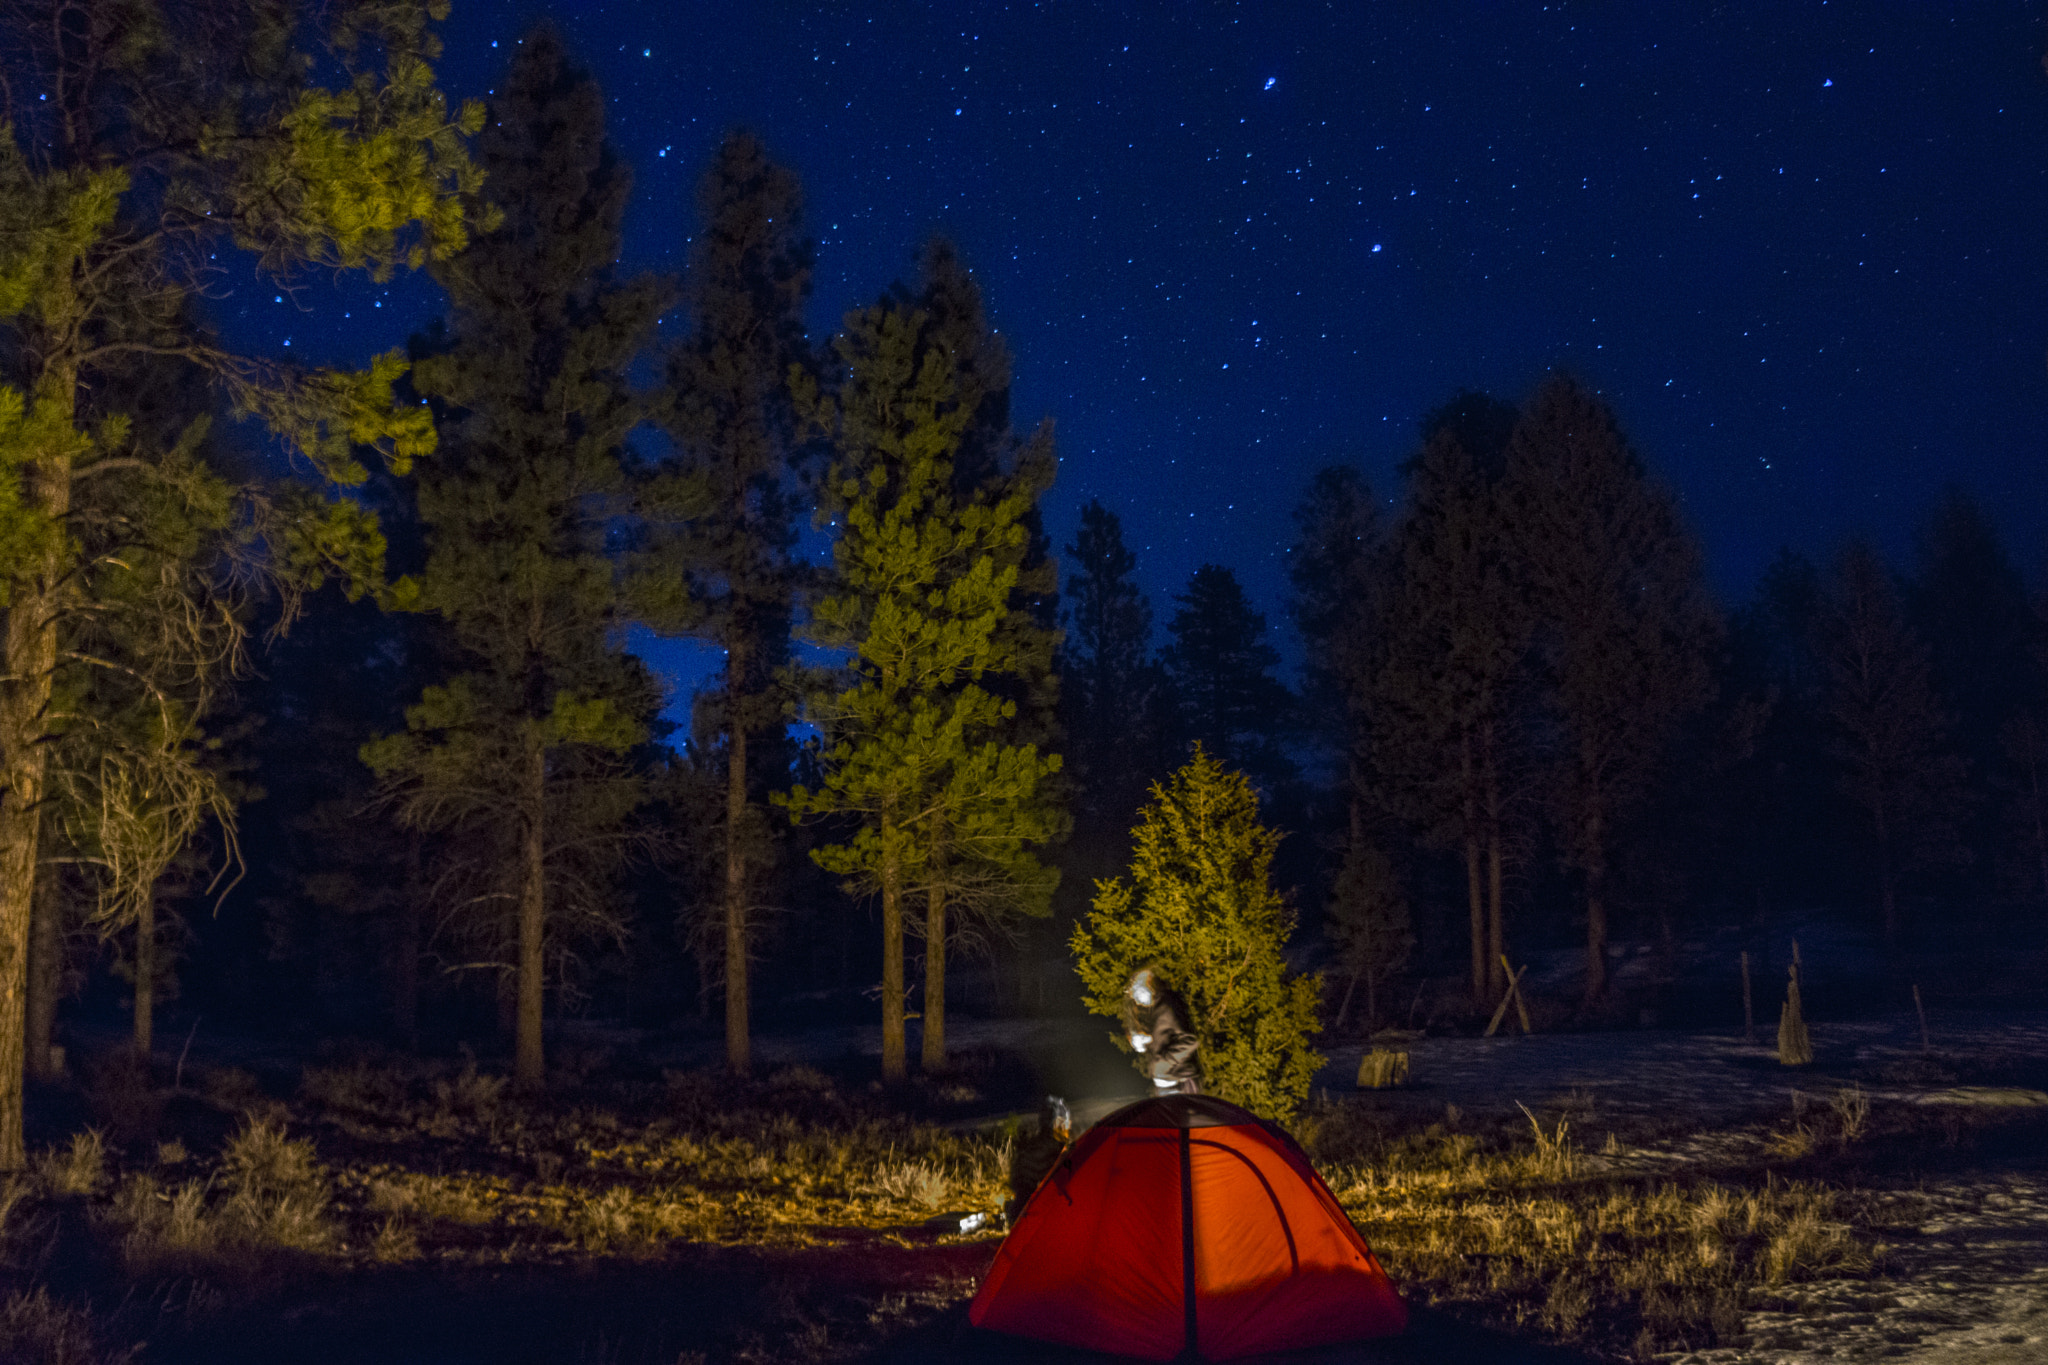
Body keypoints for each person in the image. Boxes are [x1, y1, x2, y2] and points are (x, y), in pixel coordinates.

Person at [1120, 965, 1200, 1095]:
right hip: (1165, 1083)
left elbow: (1190, 1041)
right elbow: (1165, 1038)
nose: (1132, 994)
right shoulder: (1153, 1009)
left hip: (1180, 1084)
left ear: (1149, 984)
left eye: (1136, 987)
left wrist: (1161, 1065)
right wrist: (1145, 1039)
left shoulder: (1167, 1007)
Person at [1005, 1095, 1071, 1224]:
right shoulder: (1056, 1148)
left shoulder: (1031, 1146)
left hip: (1028, 1195)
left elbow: (1015, 1180)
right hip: (1039, 1195)